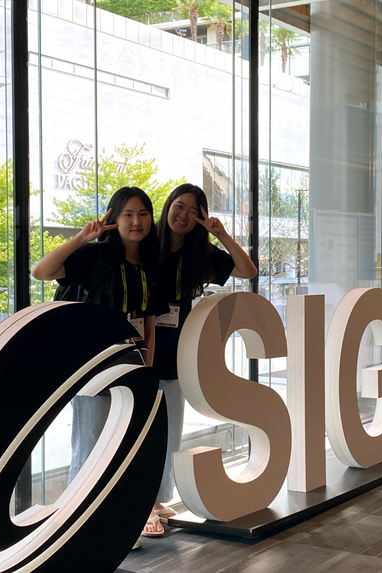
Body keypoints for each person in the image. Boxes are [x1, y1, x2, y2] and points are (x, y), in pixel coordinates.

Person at [31, 186, 166, 486]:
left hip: (132, 366)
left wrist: (147, 371)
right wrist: (82, 237)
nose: (137, 222)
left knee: (121, 450)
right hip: (93, 368)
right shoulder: (96, 255)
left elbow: (150, 321)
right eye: (128, 214)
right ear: (113, 219)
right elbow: (40, 271)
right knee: (90, 450)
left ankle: (110, 514)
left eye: (143, 214)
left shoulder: (150, 263)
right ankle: (78, 515)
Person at [143, 183, 257, 537]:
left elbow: (248, 271)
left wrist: (221, 234)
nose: (184, 215)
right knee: (141, 431)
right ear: (168, 206)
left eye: (194, 211)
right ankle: (141, 504)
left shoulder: (200, 254)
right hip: (140, 348)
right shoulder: (148, 244)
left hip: (176, 352)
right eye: (179, 206)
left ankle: (156, 499)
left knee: (169, 430)